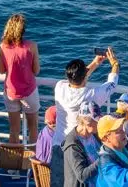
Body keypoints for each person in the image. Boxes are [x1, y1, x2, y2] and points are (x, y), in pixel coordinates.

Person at [51, 50, 120, 186]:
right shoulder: (91, 95)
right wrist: (115, 64)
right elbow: (112, 84)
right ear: (84, 77)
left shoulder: (59, 87)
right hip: (78, 147)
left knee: (57, 183)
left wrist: (94, 63)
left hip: (58, 143)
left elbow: (76, 79)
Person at [0, 13, 41, 142]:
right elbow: (36, 70)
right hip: (29, 91)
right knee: (33, 128)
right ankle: (32, 160)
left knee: (14, 130)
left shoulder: (2, 47)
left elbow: (1, 70)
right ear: (23, 30)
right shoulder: (32, 46)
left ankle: (14, 160)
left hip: (11, 92)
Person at [62, 101, 102, 187]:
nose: (100, 124)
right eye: (97, 121)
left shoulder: (94, 134)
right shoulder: (72, 145)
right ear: (87, 123)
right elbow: (82, 176)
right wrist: (103, 159)